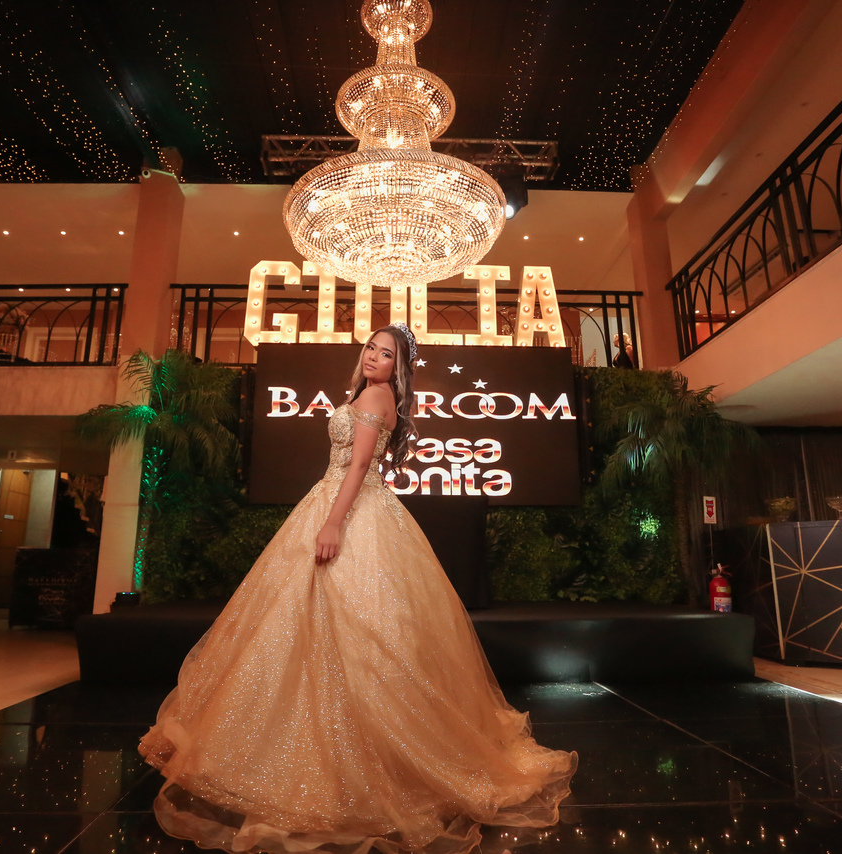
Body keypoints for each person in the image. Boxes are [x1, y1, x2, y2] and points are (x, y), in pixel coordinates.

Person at [139, 323, 577, 854]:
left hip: (352, 510)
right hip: (342, 500)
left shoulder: (375, 396)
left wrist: (333, 522)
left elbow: (361, 463)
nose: (373, 356)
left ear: (398, 367)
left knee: (358, 631)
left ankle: (363, 756)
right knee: (317, 627)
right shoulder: (370, 393)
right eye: (371, 347)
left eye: (385, 353)